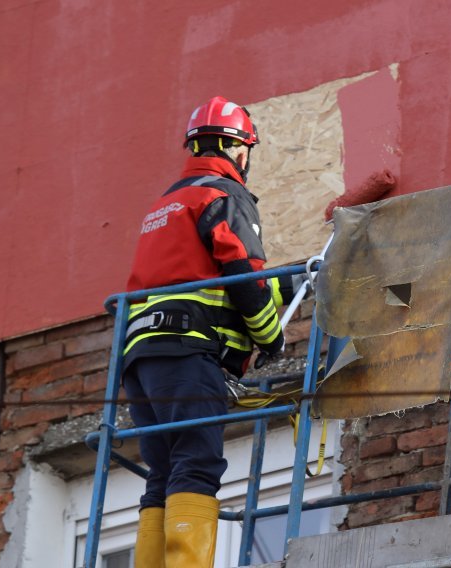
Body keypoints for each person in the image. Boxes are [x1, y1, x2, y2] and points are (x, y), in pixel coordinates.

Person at [123, 96, 291, 567]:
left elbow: (192, 278)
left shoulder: (164, 205)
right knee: (198, 464)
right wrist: (271, 340)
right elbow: (243, 274)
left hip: (141, 359)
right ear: (240, 150)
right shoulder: (224, 194)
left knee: (163, 473)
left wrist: (287, 282)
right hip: (187, 353)